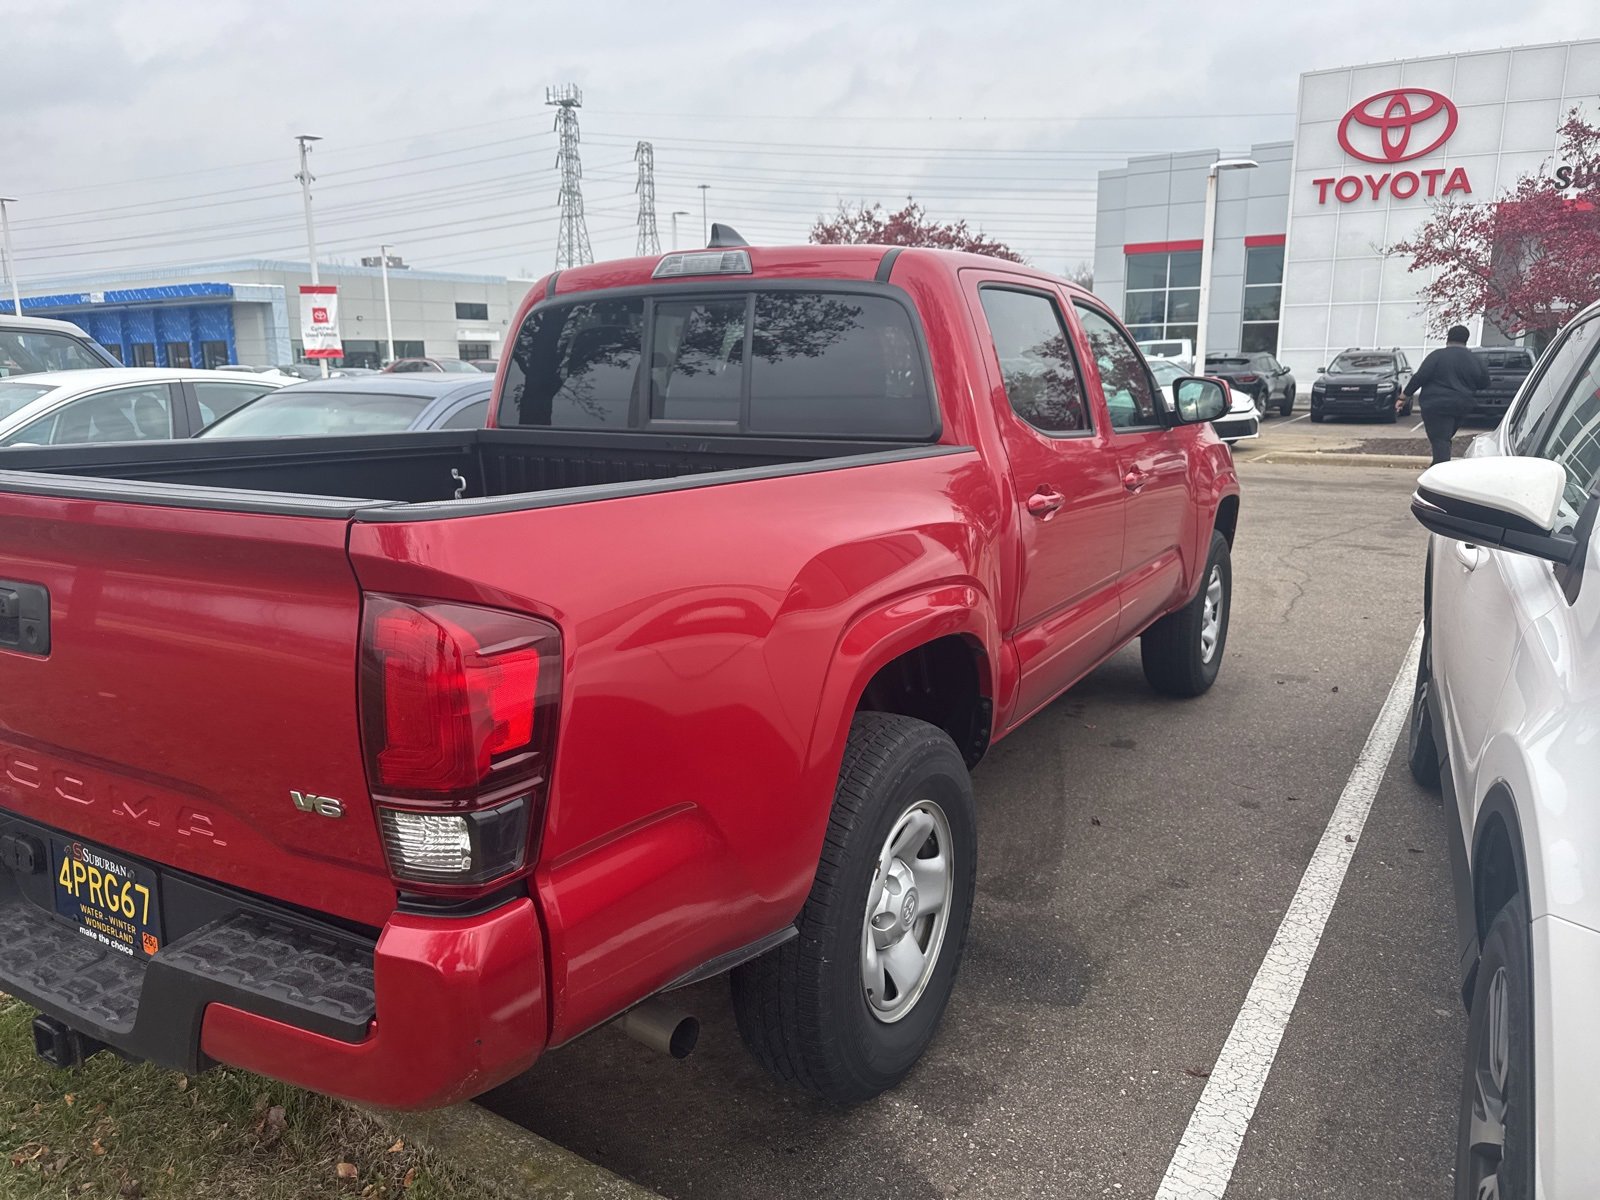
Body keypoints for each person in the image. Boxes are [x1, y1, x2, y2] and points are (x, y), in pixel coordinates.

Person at [1400, 325, 1491, 465]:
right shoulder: (1475, 359)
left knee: (1440, 441)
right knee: (1444, 439)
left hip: (1436, 405)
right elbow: (1484, 382)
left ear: (1448, 338)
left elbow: (1420, 377)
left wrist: (1404, 396)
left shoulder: (1437, 356)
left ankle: (1437, 475)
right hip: (1461, 405)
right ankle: (1437, 469)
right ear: (1466, 340)